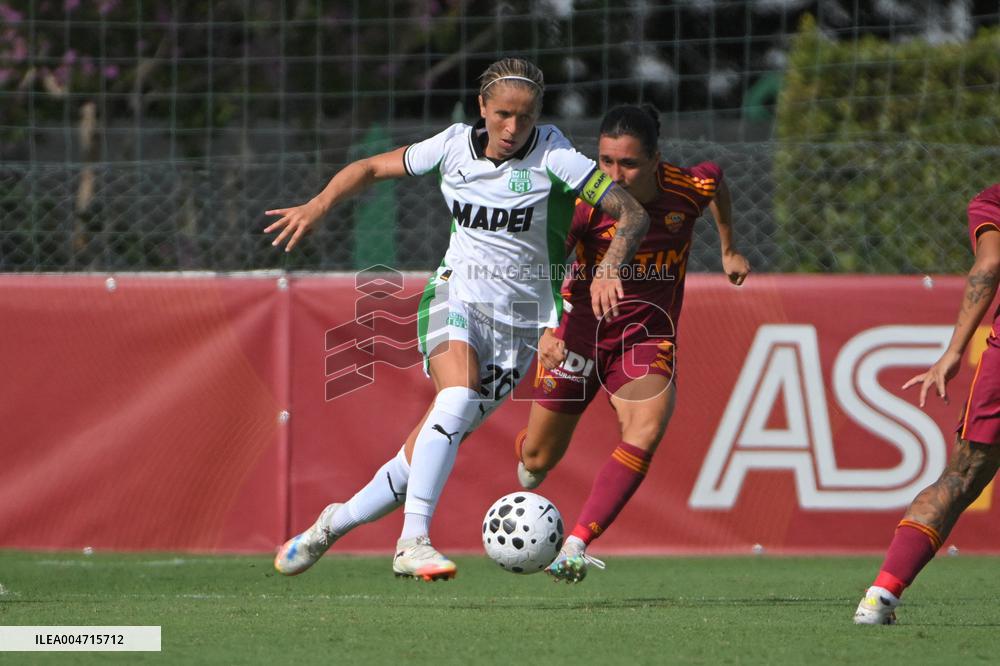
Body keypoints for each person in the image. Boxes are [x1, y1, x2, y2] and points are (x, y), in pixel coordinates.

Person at [264, 57, 651, 581]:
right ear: (482, 107)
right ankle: (412, 542)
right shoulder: (450, 146)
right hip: (455, 296)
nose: (513, 128)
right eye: (503, 114)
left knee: (419, 458)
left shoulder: (556, 156)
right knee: (458, 396)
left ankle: (331, 525)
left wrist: (609, 268)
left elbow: (632, 212)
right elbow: (370, 168)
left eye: (526, 116)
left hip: (519, 329)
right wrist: (318, 204)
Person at [513, 104, 751, 582]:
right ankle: (530, 455)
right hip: (578, 336)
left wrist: (729, 248)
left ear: (656, 160)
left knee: (645, 428)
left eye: (629, 164)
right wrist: (544, 330)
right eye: (605, 161)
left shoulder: (687, 188)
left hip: (645, 337)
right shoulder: (584, 203)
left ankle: (576, 544)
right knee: (536, 461)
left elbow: (717, 182)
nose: (614, 175)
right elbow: (544, 267)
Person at [854, 183, 1000, 624]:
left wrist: (954, 351)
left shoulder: (993, 200)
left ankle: (881, 596)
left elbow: (990, 264)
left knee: (959, 477)